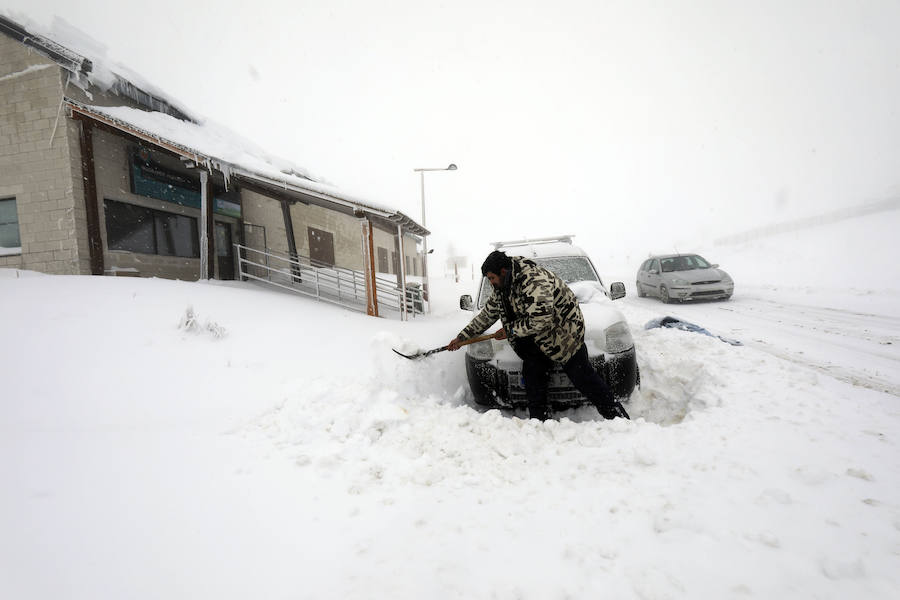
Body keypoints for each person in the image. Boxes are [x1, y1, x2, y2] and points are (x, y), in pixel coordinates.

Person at [448, 250, 630, 421]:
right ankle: (539, 422)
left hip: (564, 336)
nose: (491, 283)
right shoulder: (502, 286)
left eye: (492, 278)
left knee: (584, 378)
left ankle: (617, 417)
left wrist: (510, 330)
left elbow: (541, 319)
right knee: (533, 378)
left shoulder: (534, 281)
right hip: (536, 340)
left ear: (503, 271)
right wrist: (463, 337)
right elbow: (487, 315)